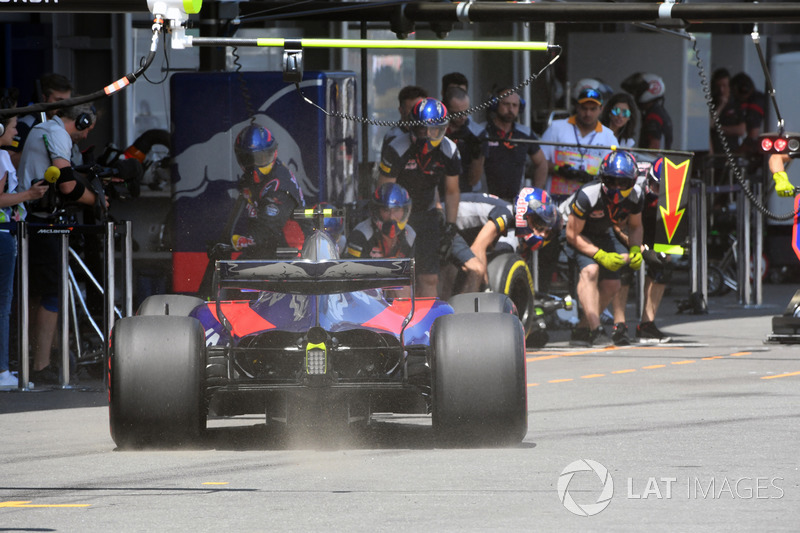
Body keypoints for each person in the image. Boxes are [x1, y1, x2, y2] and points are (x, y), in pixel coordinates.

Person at [17, 102, 99, 383]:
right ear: (81, 121)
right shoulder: (58, 134)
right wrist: (97, 200)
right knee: (51, 294)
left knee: (36, 294)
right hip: (40, 221)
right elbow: (66, 184)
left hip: (31, 220)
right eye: (88, 129)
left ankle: (36, 359)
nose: (86, 136)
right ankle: (41, 367)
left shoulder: (46, 130)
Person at [377, 97, 462, 297]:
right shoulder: (396, 147)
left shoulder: (450, 150)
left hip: (428, 214)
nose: (427, 135)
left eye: (434, 130)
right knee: (400, 277)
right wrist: (389, 225)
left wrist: (450, 225)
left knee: (429, 277)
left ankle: (428, 325)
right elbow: (384, 190)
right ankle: (401, 325)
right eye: (422, 129)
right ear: (412, 128)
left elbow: (451, 191)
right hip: (398, 216)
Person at [539, 87, 618, 292]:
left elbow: (616, 174)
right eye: (584, 108)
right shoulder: (557, 128)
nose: (588, 113)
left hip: (590, 207)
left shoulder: (609, 136)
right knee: (548, 252)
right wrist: (559, 169)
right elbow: (538, 163)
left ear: (600, 110)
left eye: (593, 109)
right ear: (577, 107)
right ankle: (543, 297)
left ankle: (584, 305)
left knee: (586, 257)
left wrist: (595, 177)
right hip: (556, 201)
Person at [563, 151, 644, 347]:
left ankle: (582, 329)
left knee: (612, 285)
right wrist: (599, 255)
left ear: (632, 182)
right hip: (572, 231)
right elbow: (572, 234)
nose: (616, 187)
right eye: (611, 181)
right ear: (602, 178)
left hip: (602, 232)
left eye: (622, 182)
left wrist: (634, 249)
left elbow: (635, 226)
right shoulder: (588, 195)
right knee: (591, 270)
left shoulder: (636, 195)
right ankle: (596, 330)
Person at [0, 95, 49, 389]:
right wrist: (29, 196)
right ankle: (2, 370)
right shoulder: (1, 157)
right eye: (13, 127)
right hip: (3, 233)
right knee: (3, 305)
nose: (16, 133)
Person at [609, 158, 673, 344]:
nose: (659, 192)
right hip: (624, 224)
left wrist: (662, 252)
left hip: (654, 221)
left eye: (664, 189)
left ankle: (647, 324)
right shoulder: (633, 188)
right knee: (625, 263)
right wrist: (641, 249)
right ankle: (619, 324)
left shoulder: (678, 192)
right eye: (656, 186)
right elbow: (617, 224)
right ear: (648, 180)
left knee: (663, 265)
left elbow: (673, 227)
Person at [230, 123, 307, 259]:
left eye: (262, 158)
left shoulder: (280, 185)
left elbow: (268, 229)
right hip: (266, 249)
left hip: (290, 255)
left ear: (273, 153)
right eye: (248, 160)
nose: (255, 167)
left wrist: (238, 242)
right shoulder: (251, 179)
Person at [474, 88, 548, 202]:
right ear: (495, 104)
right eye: (506, 104)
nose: (511, 109)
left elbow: (542, 163)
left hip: (515, 202)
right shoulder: (481, 131)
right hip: (484, 201)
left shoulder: (525, 133)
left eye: (515, 105)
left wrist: (536, 194)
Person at [8, 73, 73, 168]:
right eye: (59, 100)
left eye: (67, 102)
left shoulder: (63, 125)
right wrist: (35, 147)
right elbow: (9, 162)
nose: (63, 106)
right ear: (44, 98)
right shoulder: (26, 124)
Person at [344, 183, 415, 260]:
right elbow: (350, 269)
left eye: (396, 210)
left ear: (405, 211)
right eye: (386, 210)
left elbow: (416, 269)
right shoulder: (361, 234)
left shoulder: (411, 235)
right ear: (377, 211)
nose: (391, 216)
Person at [442, 86, 483, 192]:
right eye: (457, 113)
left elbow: (473, 180)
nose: (463, 117)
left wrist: (477, 156)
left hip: (465, 192)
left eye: (466, 112)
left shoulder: (477, 133)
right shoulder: (435, 130)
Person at [621, 72, 673, 150]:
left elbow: (654, 150)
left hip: (654, 161)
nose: (636, 95)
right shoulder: (658, 112)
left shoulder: (654, 115)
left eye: (638, 91)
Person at [709, 68, 746, 155]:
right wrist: (720, 106)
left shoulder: (736, 104)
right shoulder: (711, 104)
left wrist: (718, 128)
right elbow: (709, 124)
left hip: (732, 152)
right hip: (716, 152)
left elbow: (741, 130)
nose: (721, 90)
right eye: (718, 86)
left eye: (724, 86)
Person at [381, 85, 428, 151]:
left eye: (420, 108)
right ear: (401, 110)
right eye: (412, 109)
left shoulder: (432, 132)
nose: (417, 113)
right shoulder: (393, 136)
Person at [731, 72, 767, 157]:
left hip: (761, 152)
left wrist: (735, 155)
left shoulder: (755, 103)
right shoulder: (760, 98)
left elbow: (752, 135)